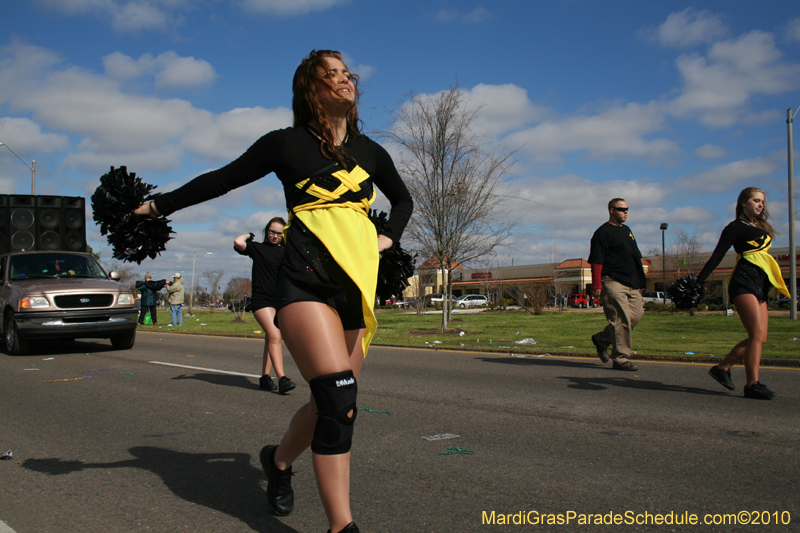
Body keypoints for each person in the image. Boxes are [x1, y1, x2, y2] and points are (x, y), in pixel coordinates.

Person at [133, 50, 412, 533]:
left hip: (355, 283)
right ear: (312, 88)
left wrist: (388, 238)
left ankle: (278, 461)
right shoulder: (286, 143)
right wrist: (159, 206)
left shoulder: (372, 152)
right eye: (332, 75)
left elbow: (404, 200)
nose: (345, 81)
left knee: (333, 402)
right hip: (304, 278)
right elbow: (221, 179)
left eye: (348, 74)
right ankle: (342, 526)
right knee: (338, 395)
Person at [698, 187, 789, 400]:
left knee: (761, 337)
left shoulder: (761, 226)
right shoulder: (734, 227)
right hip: (743, 282)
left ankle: (722, 368)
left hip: (760, 284)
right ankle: (752, 385)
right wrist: (699, 281)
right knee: (756, 335)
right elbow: (717, 256)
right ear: (743, 203)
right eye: (756, 201)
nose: (760, 205)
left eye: (762, 202)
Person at [234, 218, 297, 394]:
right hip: (262, 301)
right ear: (266, 231)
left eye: (279, 233)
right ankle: (283, 378)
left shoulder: (287, 252)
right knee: (275, 335)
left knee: (271, 338)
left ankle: (265, 377)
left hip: (280, 301)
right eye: (271, 231)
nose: (275, 236)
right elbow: (238, 242)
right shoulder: (258, 248)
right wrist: (249, 235)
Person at [588, 198, 646, 371]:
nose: (626, 212)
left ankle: (602, 339)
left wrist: (640, 281)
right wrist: (597, 284)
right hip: (612, 281)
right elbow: (597, 261)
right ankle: (621, 359)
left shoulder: (627, 230)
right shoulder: (602, 232)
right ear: (611, 210)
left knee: (636, 316)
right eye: (622, 209)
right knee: (621, 320)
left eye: (627, 209)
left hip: (631, 282)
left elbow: (634, 256)